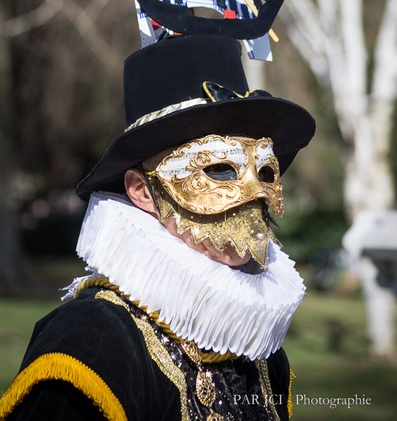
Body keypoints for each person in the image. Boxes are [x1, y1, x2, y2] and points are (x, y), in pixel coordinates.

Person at [0, 34, 315, 420]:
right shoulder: (95, 340)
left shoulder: (259, 351)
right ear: (142, 191)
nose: (250, 194)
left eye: (264, 170)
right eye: (219, 168)